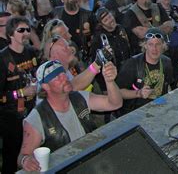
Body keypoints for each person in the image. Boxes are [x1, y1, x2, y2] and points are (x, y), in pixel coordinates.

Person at [18, 60, 123, 171]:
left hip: (92, 163)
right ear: (46, 86)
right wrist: (26, 161)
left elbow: (115, 103)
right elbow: (23, 156)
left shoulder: (79, 98)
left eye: (63, 73)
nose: (64, 78)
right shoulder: (37, 117)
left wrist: (110, 82)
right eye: (57, 77)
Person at [0, 17, 40, 174]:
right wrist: (20, 93)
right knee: (12, 156)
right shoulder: (2, 59)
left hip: (34, 111)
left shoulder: (32, 52)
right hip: (11, 118)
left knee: (35, 152)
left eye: (27, 30)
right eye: (21, 30)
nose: (26, 33)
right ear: (10, 34)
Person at [115, 28, 174, 116]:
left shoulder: (166, 62)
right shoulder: (132, 64)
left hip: (159, 109)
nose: (154, 48)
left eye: (158, 44)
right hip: (136, 111)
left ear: (163, 46)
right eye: (150, 44)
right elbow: (117, 92)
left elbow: (168, 85)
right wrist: (139, 93)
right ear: (145, 45)